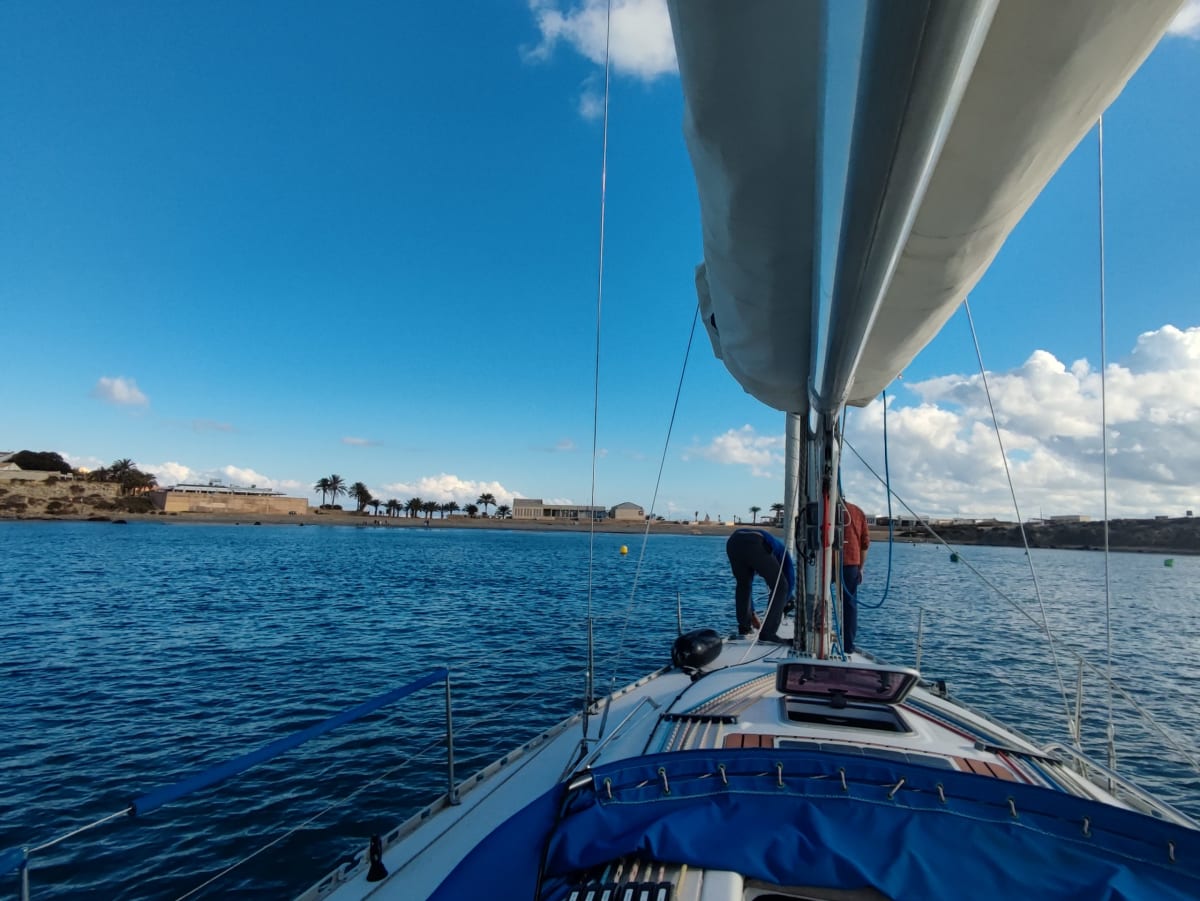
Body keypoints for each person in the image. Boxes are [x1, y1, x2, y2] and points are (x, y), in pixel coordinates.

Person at [726, 528, 794, 644]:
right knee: (781, 586)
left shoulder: (772, 548)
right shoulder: (784, 556)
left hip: (733, 542)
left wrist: (752, 614)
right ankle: (768, 634)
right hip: (755, 542)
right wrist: (783, 604)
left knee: (744, 585)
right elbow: (789, 582)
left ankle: (744, 628)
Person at [840, 499, 870, 653]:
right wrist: (861, 568)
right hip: (850, 563)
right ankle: (848, 645)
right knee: (849, 604)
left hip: (824, 561)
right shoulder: (857, 512)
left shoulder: (821, 510)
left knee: (817, 595)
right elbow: (865, 543)